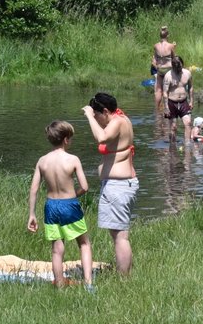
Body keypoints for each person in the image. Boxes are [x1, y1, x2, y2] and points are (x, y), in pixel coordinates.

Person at [27, 120, 94, 291]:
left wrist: (32, 214)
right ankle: (88, 284)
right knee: (84, 243)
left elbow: (34, 189)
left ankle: (59, 284)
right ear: (65, 139)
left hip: (51, 206)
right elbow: (85, 187)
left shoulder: (42, 161)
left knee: (57, 249)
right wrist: (74, 195)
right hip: (69, 205)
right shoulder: (72, 159)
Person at [82, 92, 137, 276]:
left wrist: (89, 116)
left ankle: (123, 279)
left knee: (120, 236)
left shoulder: (118, 121)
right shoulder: (123, 119)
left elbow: (102, 138)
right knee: (118, 235)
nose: (97, 120)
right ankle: (124, 274)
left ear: (105, 111)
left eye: (98, 115)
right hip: (120, 185)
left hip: (118, 186)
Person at [163, 55, 194, 143]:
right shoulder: (168, 76)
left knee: (188, 123)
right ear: (173, 66)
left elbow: (191, 87)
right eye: (176, 67)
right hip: (171, 103)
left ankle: (187, 145)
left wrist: (191, 101)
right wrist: (166, 107)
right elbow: (165, 92)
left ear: (182, 64)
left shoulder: (187, 73)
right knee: (173, 127)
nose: (178, 69)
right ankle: (172, 147)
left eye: (180, 66)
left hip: (184, 102)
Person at [152, 26, 176, 111]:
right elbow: (174, 59)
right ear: (168, 36)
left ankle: (157, 110)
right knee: (169, 90)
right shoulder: (171, 46)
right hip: (168, 69)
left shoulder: (156, 46)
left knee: (158, 90)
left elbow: (153, 61)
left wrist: (157, 68)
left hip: (160, 69)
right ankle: (168, 108)